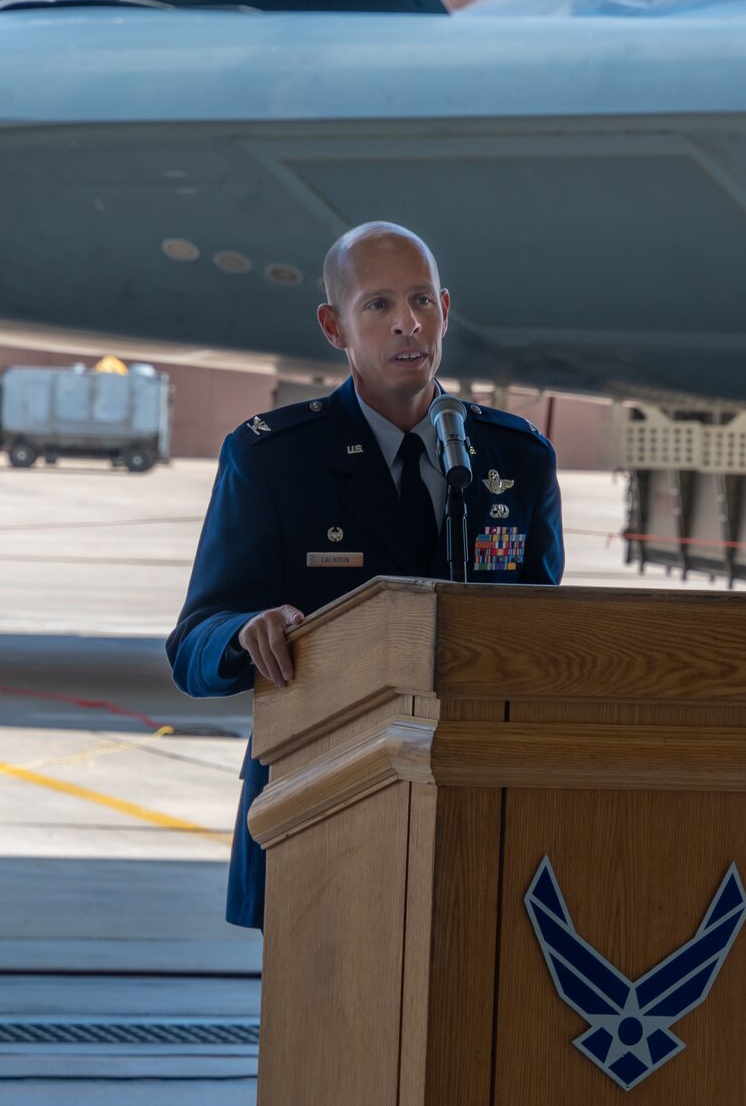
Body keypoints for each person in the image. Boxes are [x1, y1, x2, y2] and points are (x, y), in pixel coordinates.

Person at [166, 220, 564, 930]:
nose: (408, 323)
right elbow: (192, 647)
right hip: (321, 803)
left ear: (446, 308)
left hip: (474, 805)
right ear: (334, 326)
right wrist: (243, 633)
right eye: (378, 305)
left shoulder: (513, 458)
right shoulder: (275, 460)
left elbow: (544, 642)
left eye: (421, 301)